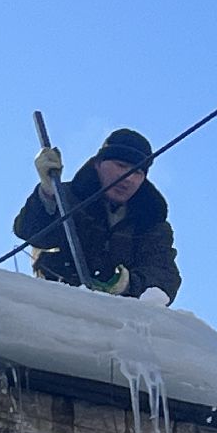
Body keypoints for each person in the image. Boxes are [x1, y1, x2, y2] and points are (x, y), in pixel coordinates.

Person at [13, 128, 181, 303]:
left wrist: (127, 284)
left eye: (138, 172)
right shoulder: (66, 198)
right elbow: (31, 232)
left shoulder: (151, 222)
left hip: (116, 315)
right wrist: (48, 193)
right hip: (55, 303)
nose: (128, 178)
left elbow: (164, 275)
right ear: (97, 164)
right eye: (121, 166)